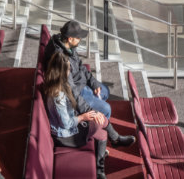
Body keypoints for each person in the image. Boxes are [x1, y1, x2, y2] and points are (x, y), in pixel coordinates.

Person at [42, 20, 135, 149]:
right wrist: (90, 113)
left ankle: (107, 133)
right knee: (106, 109)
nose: (80, 39)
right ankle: (102, 139)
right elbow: (72, 93)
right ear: (70, 38)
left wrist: (93, 83)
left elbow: (81, 67)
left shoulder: (68, 47)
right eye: (78, 37)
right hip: (76, 95)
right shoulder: (60, 60)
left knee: (104, 91)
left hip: (81, 85)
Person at [44, 51, 108, 179]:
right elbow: (66, 124)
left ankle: (99, 167)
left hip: (71, 122)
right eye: (68, 69)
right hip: (66, 135)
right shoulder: (58, 96)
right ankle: (99, 169)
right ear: (62, 72)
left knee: (102, 125)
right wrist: (83, 117)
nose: (70, 72)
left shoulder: (55, 83)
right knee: (101, 124)